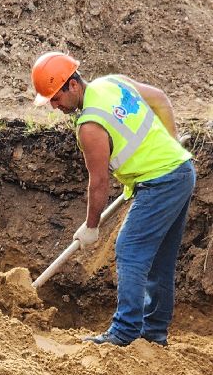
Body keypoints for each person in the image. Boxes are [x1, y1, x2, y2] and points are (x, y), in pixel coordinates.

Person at [30, 51, 196, 347]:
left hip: (159, 182)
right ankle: (154, 332)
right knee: (160, 259)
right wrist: (171, 144)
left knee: (129, 248)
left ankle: (125, 330)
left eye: (56, 98)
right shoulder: (114, 83)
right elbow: (160, 99)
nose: (54, 106)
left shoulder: (90, 126)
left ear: (73, 85)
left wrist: (91, 226)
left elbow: (99, 183)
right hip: (181, 172)